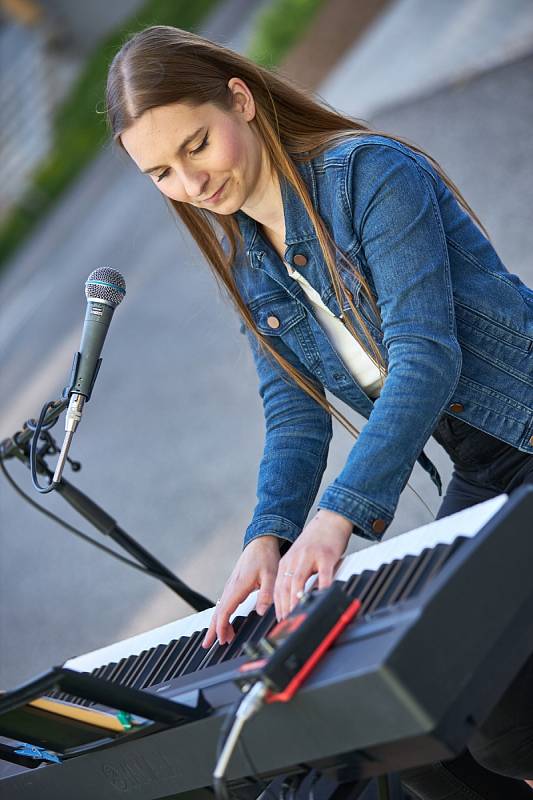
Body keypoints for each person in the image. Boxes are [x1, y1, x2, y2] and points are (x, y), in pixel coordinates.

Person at [106, 25, 533, 799]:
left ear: (240, 99)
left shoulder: (369, 173)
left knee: (504, 723)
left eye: (197, 145)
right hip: (484, 463)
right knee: (419, 715)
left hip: (525, 423)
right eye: (161, 172)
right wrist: (267, 535)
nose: (191, 184)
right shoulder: (250, 262)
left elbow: (424, 358)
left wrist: (337, 516)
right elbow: (293, 415)